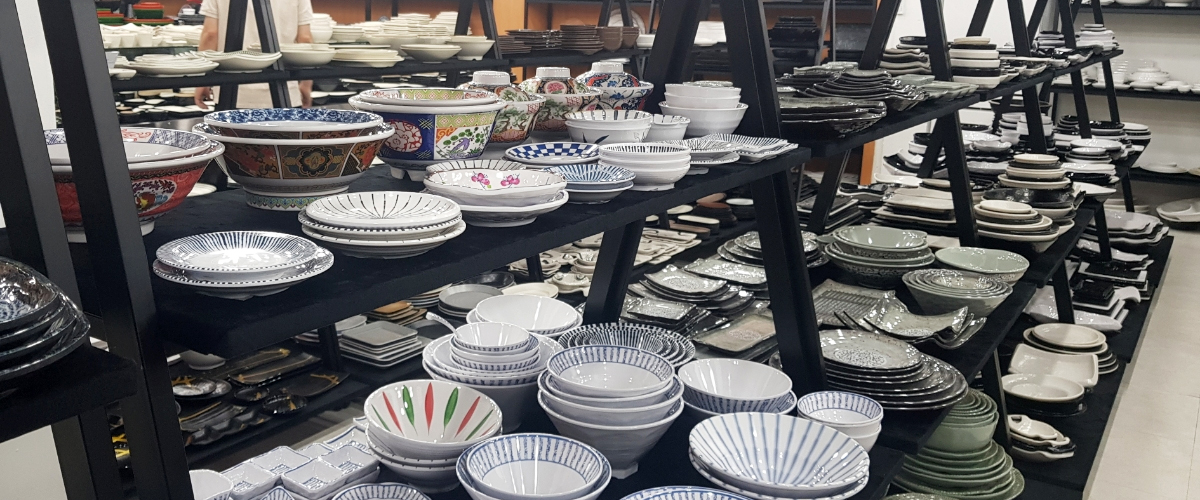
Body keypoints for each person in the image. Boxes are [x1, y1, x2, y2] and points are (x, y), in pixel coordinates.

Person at [194, 0, 314, 108]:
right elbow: (305, 38)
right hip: (284, 91)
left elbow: (210, 35)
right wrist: (306, 84)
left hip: (231, 92)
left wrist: (203, 81)